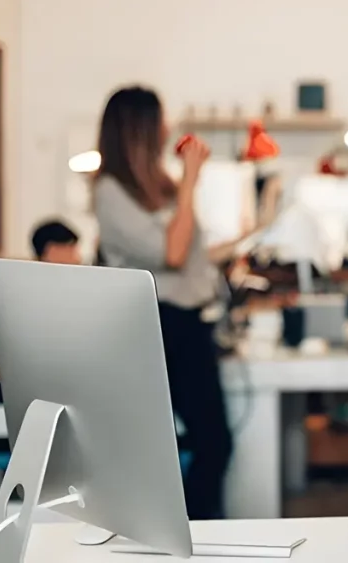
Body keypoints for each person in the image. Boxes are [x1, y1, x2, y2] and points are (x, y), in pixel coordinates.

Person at [92, 86, 232, 520]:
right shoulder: (110, 192)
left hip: (187, 324)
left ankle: (191, 535)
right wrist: (190, 180)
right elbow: (171, 253)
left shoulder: (160, 187)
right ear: (140, 128)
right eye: (161, 119)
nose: (169, 128)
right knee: (203, 443)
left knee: (210, 442)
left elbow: (188, 253)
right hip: (156, 325)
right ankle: (187, 538)